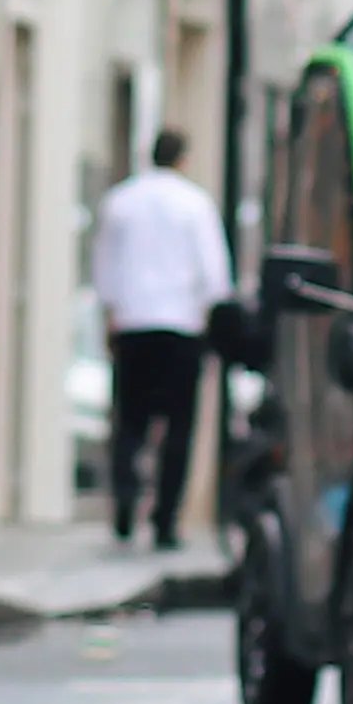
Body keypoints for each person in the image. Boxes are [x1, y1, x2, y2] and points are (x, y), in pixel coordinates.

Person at [87, 130, 232, 545]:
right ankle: (165, 519)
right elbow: (214, 274)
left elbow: (104, 266)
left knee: (129, 421)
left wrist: (111, 313)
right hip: (181, 325)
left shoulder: (120, 202)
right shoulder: (196, 204)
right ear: (182, 159)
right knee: (178, 427)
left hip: (133, 323)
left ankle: (125, 503)